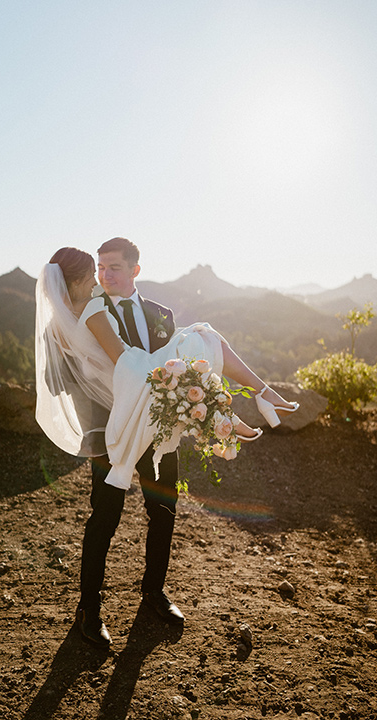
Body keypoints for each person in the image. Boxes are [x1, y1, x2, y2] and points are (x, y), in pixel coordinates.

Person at [35, 238, 298, 647]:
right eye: (100, 269)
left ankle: (153, 593)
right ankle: (89, 609)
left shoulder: (160, 314)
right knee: (104, 519)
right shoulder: (90, 311)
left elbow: (182, 367)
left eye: (114, 268)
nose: (105, 276)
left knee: (164, 510)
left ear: (135, 270)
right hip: (111, 430)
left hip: (160, 427)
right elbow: (73, 376)